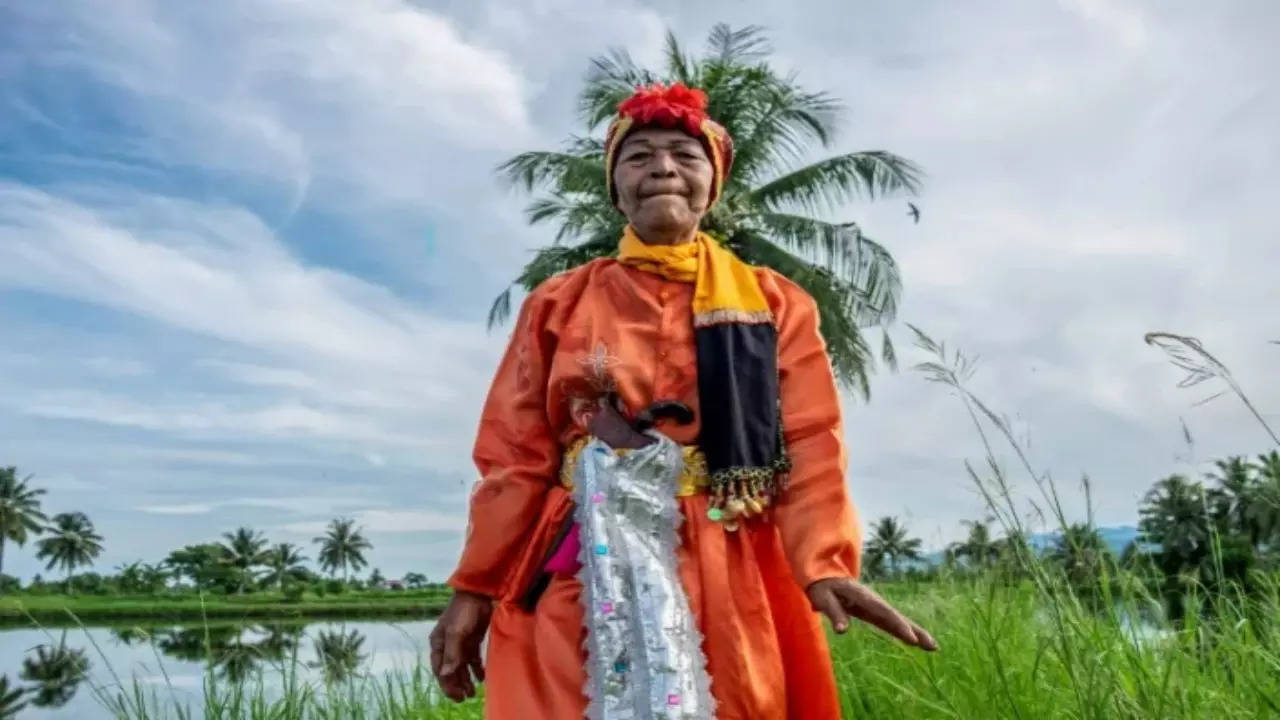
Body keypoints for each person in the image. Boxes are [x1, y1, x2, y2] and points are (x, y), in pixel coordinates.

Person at [430, 82, 937, 720]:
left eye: (683, 155)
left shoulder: (776, 303)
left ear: (712, 183)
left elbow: (811, 441)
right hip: (578, 556)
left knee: (738, 699)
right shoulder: (558, 303)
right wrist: (476, 586)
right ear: (615, 188)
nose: (662, 167)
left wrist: (824, 565)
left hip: (728, 551)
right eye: (638, 157)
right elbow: (514, 454)